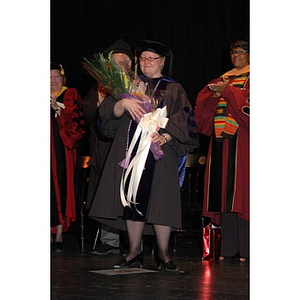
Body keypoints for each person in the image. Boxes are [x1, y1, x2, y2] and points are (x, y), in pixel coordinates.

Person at [88, 39, 199, 271]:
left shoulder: (173, 88)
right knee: (131, 199)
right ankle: (134, 252)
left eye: (152, 58)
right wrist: (123, 103)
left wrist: (167, 136)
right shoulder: (126, 85)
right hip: (130, 152)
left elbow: (185, 120)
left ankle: (164, 254)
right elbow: (105, 117)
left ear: (162, 61)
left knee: (162, 202)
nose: (146, 62)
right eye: (143, 58)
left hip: (160, 153)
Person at [194, 33, 250, 262]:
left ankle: (247, 249)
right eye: (233, 52)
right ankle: (227, 249)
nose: (236, 56)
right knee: (224, 193)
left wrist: (226, 91)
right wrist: (213, 92)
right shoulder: (224, 77)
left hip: (244, 142)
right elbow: (202, 104)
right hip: (220, 143)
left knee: (243, 194)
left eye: (241, 52)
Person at [83, 39, 133, 255]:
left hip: (131, 148)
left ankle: (133, 242)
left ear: (130, 65)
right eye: (112, 64)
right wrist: (100, 102)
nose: (117, 67)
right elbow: (87, 114)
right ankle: (110, 240)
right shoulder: (101, 86)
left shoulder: (139, 85)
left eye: (121, 63)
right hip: (104, 146)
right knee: (108, 191)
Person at [51, 63, 86, 252]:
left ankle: (58, 235)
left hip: (61, 152)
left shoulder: (69, 94)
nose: (54, 81)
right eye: (49, 78)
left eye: (57, 77)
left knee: (60, 189)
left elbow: (77, 124)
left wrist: (58, 109)